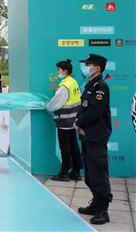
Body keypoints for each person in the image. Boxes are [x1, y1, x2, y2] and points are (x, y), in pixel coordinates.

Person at [74, 54, 112, 225]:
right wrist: (78, 121)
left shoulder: (101, 86)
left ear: (97, 68)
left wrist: (79, 123)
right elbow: (84, 107)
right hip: (87, 135)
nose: (85, 67)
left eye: (88, 65)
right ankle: (96, 203)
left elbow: (95, 111)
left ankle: (103, 210)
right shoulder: (91, 84)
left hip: (96, 136)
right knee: (90, 174)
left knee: (98, 173)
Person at [45, 59, 82, 182]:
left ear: (65, 71)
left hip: (65, 121)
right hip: (73, 121)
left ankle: (64, 172)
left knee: (65, 147)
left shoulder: (64, 86)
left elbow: (55, 104)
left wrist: (47, 107)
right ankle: (76, 171)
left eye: (58, 70)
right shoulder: (73, 82)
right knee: (74, 146)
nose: (57, 72)